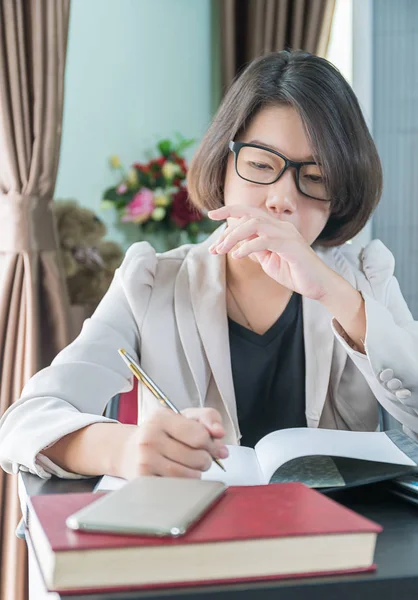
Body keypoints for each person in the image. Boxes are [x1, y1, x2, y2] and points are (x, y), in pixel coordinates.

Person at [1, 50, 418, 482]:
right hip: (194, 543)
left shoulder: (364, 277)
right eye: (260, 165)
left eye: (316, 178)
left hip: (339, 542)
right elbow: (25, 421)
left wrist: (336, 296)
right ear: (223, 167)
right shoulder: (151, 282)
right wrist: (121, 450)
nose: (282, 199)